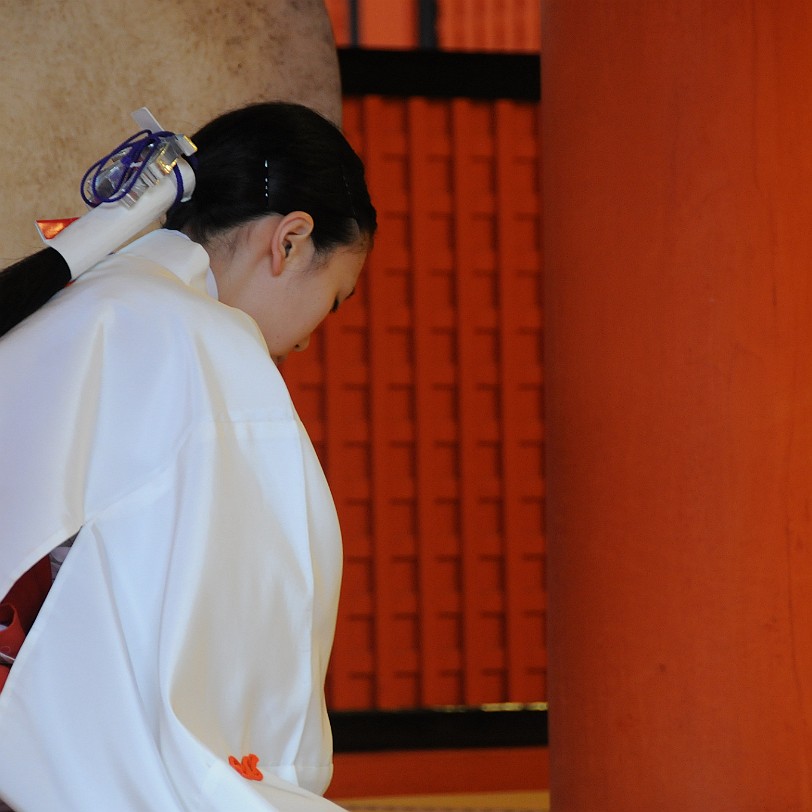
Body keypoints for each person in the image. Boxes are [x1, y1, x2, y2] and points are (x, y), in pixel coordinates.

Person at [0, 101, 376, 811]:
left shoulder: (79, 301)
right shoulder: (205, 345)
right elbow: (261, 619)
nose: (304, 341)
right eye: (333, 301)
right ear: (290, 241)